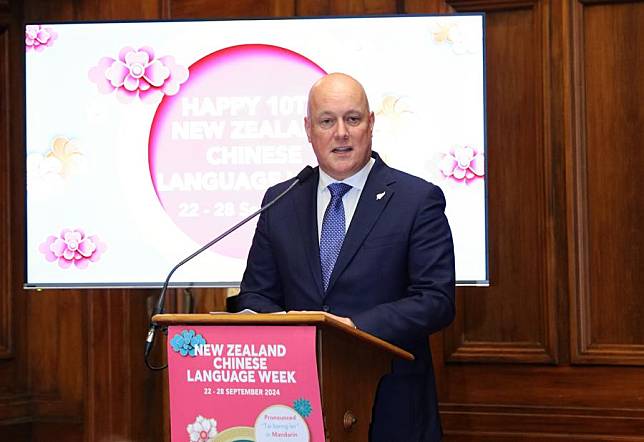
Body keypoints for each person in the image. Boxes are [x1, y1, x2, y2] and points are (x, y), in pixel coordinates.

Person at [232, 73, 455, 441]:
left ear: (371, 124)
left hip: (389, 403)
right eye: (326, 121)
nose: (340, 133)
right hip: (292, 407)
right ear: (308, 129)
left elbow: (436, 301)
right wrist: (290, 326)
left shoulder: (416, 199)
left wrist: (350, 327)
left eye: (352, 119)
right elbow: (256, 293)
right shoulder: (281, 200)